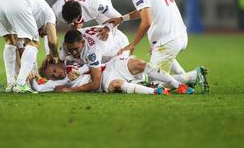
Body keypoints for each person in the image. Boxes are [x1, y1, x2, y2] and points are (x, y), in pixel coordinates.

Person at [107, 0, 192, 77]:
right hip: (180, 35)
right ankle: (186, 77)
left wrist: (133, 44)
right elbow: (147, 10)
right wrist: (122, 18)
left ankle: (194, 76)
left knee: (154, 83)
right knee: (160, 67)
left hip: (167, 41)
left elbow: (146, 22)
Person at [55, 29, 196, 93]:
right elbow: (59, 60)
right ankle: (190, 76)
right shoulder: (65, 47)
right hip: (105, 65)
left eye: (76, 49)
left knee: (140, 65)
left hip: (118, 51)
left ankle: (178, 84)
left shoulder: (93, 51)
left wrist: (70, 89)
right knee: (121, 84)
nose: (73, 52)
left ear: (83, 42)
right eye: (70, 49)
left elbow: (95, 83)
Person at [0, 0, 58, 93]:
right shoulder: (50, 15)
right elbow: (52, 41)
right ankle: (21, 84)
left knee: (10, 41)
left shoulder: (37, 11)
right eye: (45, 33)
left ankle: (11, 83)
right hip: (17, 3)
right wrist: (55, 56)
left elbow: (19, 44)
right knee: (34, 43)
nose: (43, 34)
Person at [52, 0, 122, 39]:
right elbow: (49, 29)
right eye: (68, 21)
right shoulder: (56, 9)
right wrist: (49, 52)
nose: (70, 24)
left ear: (79, 15)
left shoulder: (96, 4)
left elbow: (118, 17)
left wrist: (108, 28)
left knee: (107, 35)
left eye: (73, 21)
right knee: (74, 34)